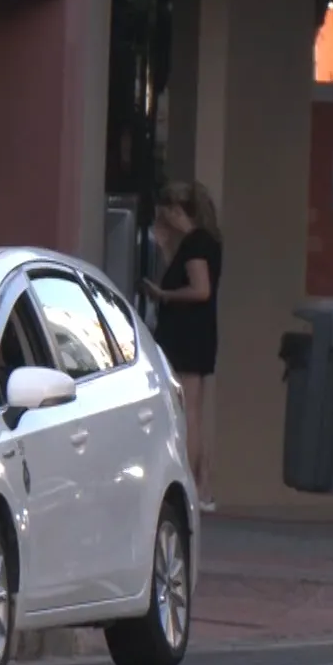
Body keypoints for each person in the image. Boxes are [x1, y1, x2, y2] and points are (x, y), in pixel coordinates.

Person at [143, 180, 222, 511]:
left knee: (186, 411)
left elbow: (200, 289)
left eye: (166, 215)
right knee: (193, 410)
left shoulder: (195, 243)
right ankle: (201, 486)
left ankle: (193, 486)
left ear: (178, 212)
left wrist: (164, 296)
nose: (163, 222)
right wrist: (164, 249)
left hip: (186, 333)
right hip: (196, 333)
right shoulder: (204, 242)